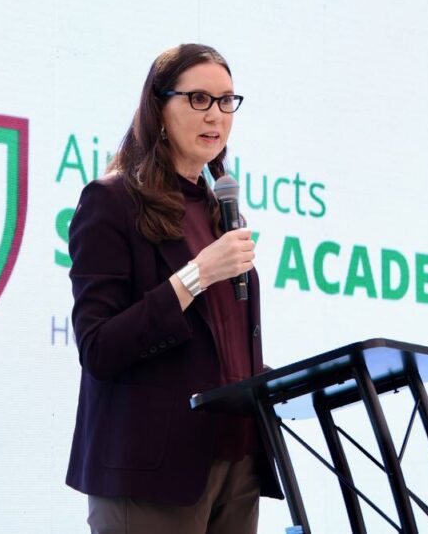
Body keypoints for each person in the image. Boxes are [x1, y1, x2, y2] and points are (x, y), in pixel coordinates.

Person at [65, 44, 283, 534]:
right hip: (153, 468)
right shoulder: (112, 201)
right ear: (158, 108)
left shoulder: (220, 210)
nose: (216, 115)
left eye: (227, 101)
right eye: (199, 99)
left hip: (238, 462)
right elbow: (99, 347)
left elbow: (219, 345)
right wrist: (195, 275)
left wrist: (280, 381)